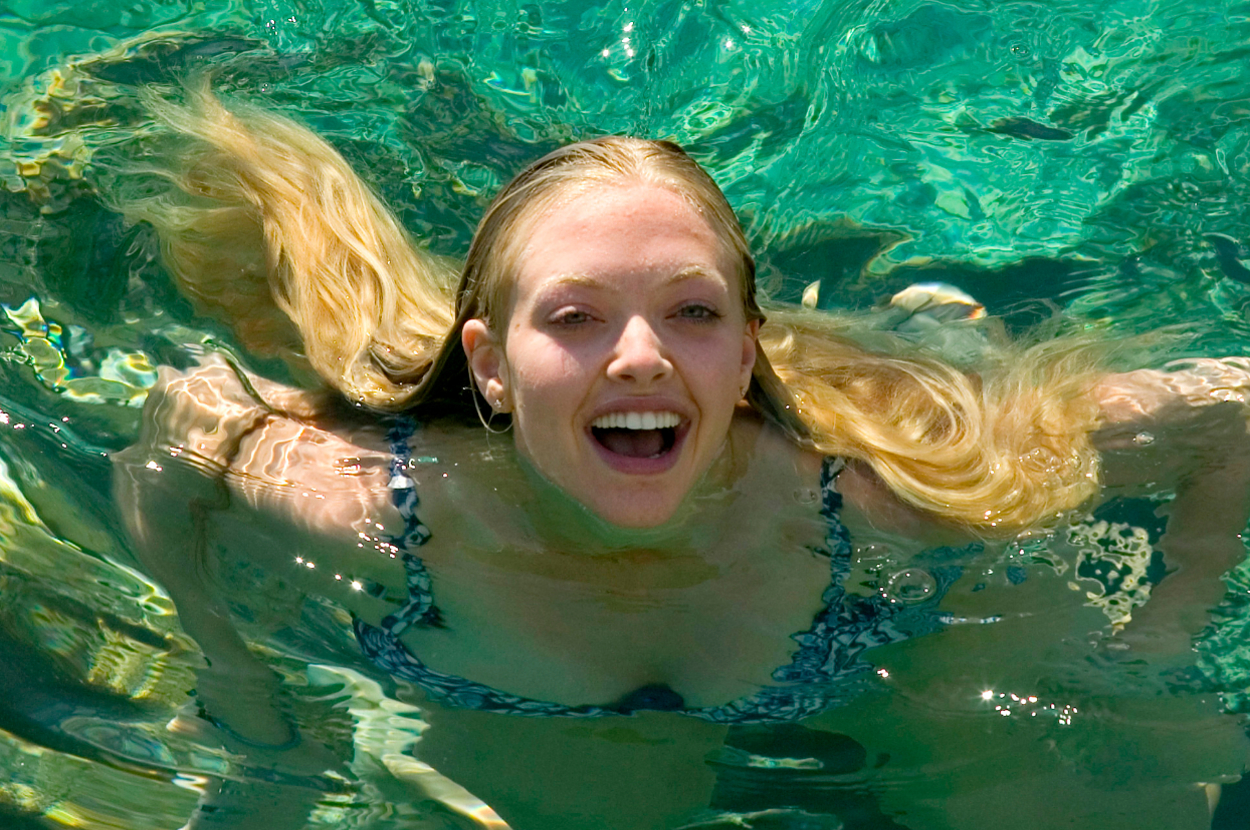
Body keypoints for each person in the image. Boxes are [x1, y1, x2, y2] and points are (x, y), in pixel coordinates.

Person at [110, 85, 1250, 829]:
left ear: (745, 351)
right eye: (574, 318)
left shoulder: (878, 494)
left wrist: (1159, 634)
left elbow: (1231, 407)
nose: (643, 356)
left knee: (1132, 795)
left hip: (866, 606)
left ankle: (930, 337)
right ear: (490, 368)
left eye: (691, 313)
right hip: (566, 710)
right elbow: (179, 438)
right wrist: (234, 682)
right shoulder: (377, 506)